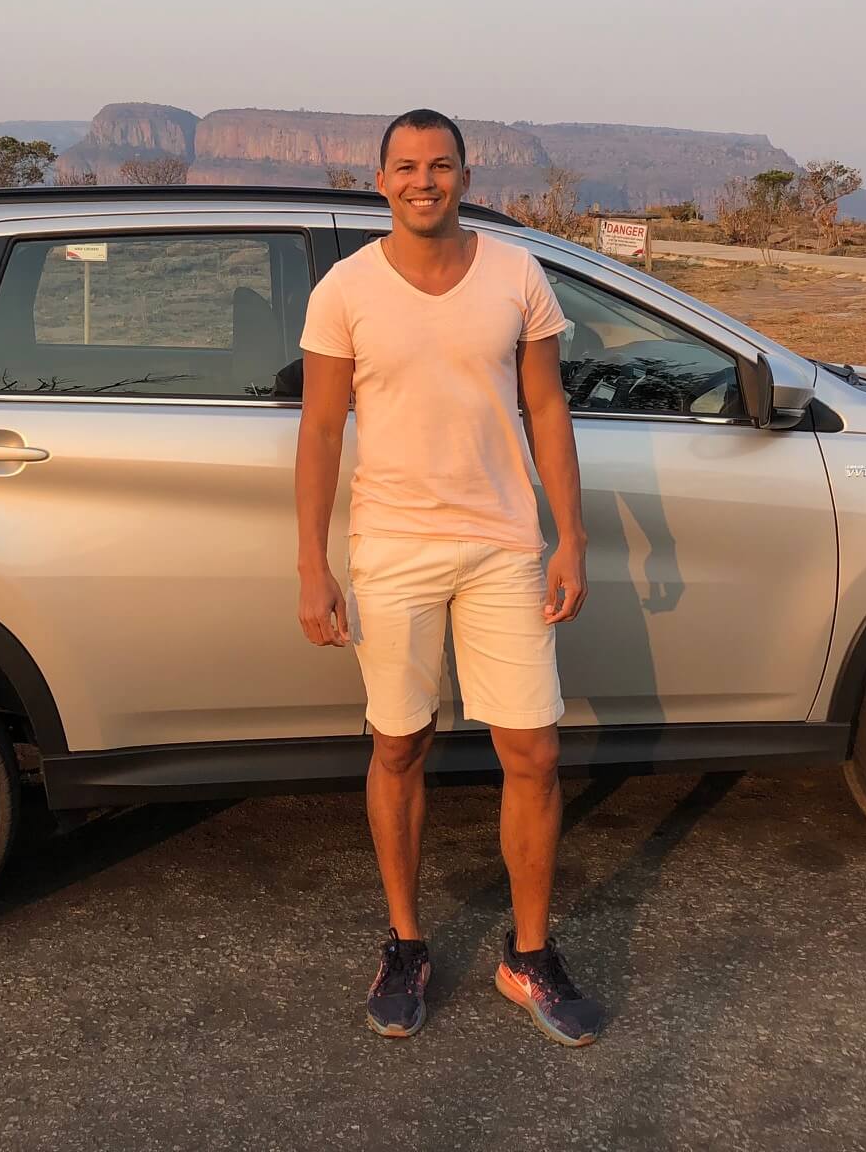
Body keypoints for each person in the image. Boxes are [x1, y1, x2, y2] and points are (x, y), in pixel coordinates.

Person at [295, 107, 600, 1047]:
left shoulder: (517, 274)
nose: (423, 180)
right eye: (405, 166)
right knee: (398, 746)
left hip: (504, 543)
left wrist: (570, 536)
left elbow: (546, 409)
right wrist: (312, 562)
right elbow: (319, 430)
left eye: (441, 165)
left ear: (465, 176)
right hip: (391, 551)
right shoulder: (344, 290)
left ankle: (531, 954)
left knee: (534, 752)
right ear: (380, 180)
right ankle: (406, 941)